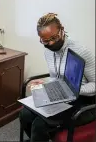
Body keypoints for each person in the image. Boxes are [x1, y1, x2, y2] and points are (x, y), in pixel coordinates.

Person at [19, 13, 96, 142]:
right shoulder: (49, 51)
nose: (51, 43)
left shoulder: (81, 51)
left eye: (54, 37)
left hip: (84, 104)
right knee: (24, 114)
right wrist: (46, 83)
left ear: (62, 29)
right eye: (45, 41)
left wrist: (73, 91)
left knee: (39, 125)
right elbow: (57, 78)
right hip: (64, 98)